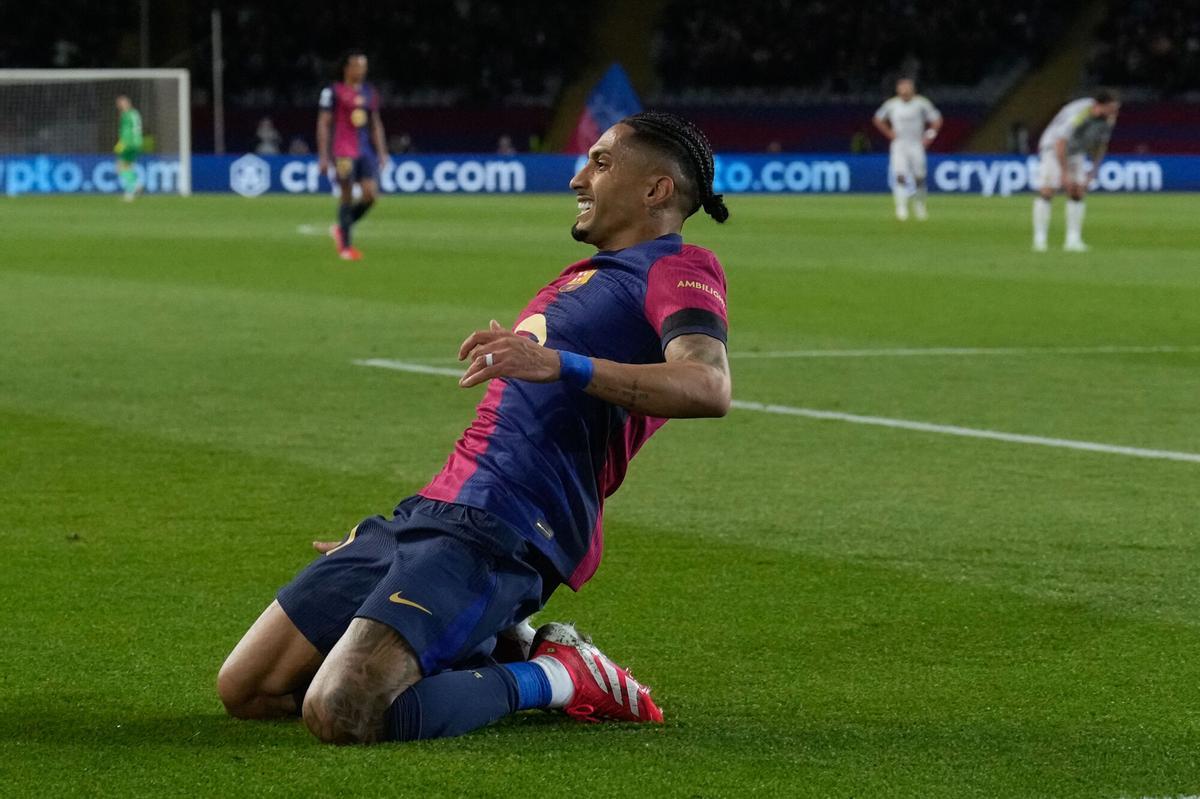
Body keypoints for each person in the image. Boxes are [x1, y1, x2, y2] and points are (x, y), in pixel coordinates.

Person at [217, 110, 732, 744]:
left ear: (656, 190)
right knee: (248, 689)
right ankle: (497, 636)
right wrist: (405, 535)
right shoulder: (581, 278)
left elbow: (708, 385)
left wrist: (558, 363)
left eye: (600, 163)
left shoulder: (679, 268)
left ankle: (560, 674)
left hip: (510, 526)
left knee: (343, 708)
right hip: (433, 515)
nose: (578, 177)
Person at [317, 50, 389, 261]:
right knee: (346, 195)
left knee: (370, 195)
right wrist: (323, 156)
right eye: (358, 66)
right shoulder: (333, 92)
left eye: (364, 66)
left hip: (365, 151)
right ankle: (346, 247)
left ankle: (341, 228)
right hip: (342, 151)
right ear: (347, 69)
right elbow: (323, 122)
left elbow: (375, 123)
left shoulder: (369, 92)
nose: (362, 70)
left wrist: (382, 152)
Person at [1032, 90, 1120, 252]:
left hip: (1076, 150)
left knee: (1077, 191)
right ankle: (1040, 239)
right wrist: (1064, 174)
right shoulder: (1080, 113)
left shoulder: (1108, 119)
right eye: (1112, 108)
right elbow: (1061, 142)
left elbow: (1101, 145)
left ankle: (1073, 240)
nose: (1114, 112)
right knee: (1048, 190)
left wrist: (1092, 172)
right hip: (1053, 147)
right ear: (1099, 106)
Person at [873, 78, 942, 221]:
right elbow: (878, 119)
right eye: (902, 87)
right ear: (898, 89)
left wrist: (929, 136)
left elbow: (937, 120)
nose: (904, 90)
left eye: (907, 87)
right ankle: (901, 207)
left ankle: (919, 205)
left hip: (916, 144)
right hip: (899, 145)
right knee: (900, 175)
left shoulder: (921, 103)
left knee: (919, 177)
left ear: (913, 89)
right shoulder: (892, 104)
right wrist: (889, 133)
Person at [113, 95, 143, 201]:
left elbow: (125, 132)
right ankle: (137, 185)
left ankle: (131, 190)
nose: (119, 106)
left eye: (120, 103)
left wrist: (121, 144)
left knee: (121, 167)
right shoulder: (135, 113)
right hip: (137, 142)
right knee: (128, 166)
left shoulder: (125, 115)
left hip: (128, 143)